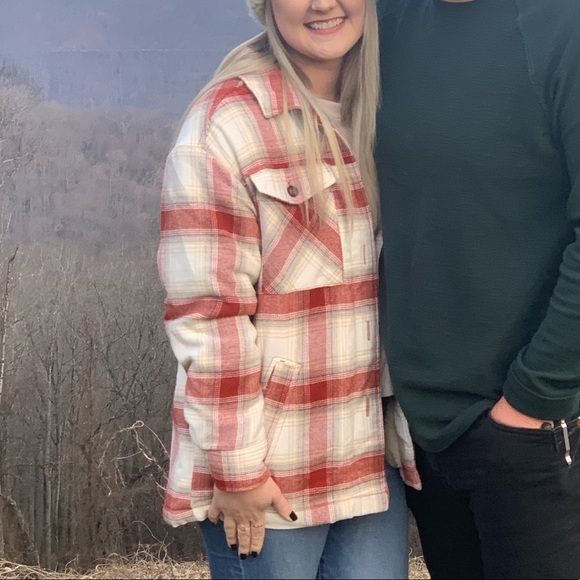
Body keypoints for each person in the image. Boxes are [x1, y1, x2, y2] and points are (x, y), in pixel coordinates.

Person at [157, 1, 420, 578]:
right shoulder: (226, 125)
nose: (323, 3)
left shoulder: (388, 107)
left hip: (368, 456)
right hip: (269, 471)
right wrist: (238, 472)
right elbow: (210, 317)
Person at [375, 0, 580, 578]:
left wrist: (536, 398)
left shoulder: (560, 25)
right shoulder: (387, 20)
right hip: (421, 432)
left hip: (529, 435)